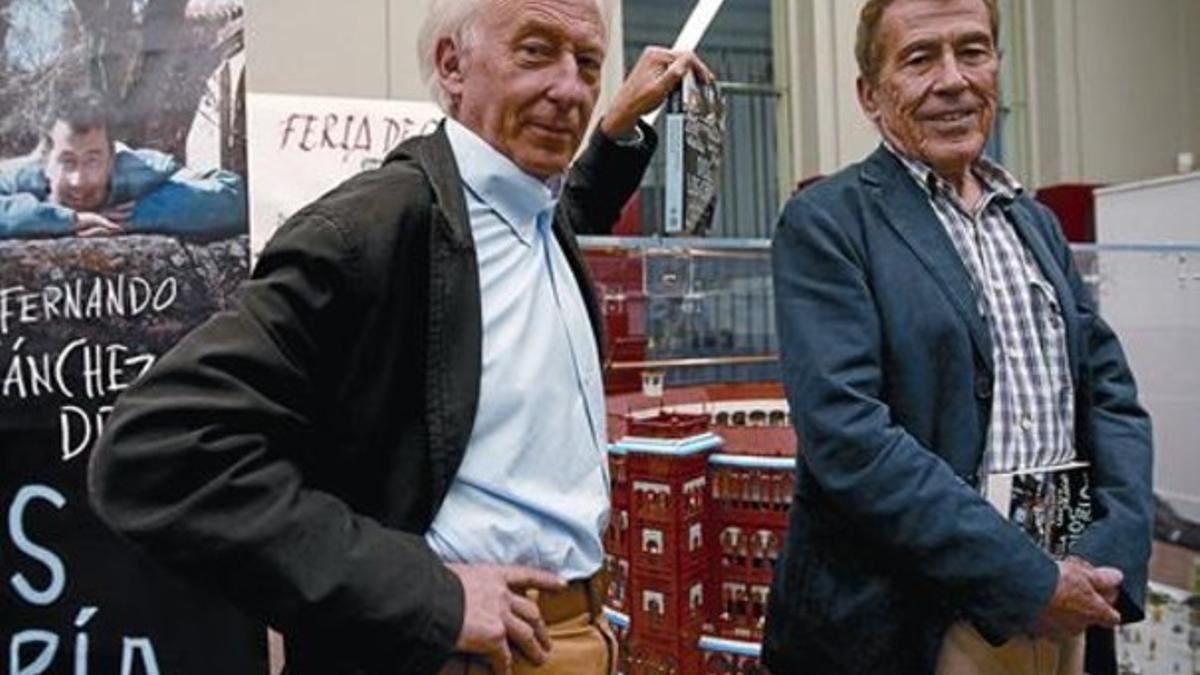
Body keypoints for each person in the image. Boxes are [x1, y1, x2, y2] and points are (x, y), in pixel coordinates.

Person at [88, 0, 711, 673]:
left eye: (587, 64)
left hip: (583, 635)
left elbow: (563, 211)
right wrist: (426, 592)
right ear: (453, 65)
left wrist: (619, 130)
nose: (570, 89)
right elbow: (155, 450)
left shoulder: (536, 216)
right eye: (536, 51)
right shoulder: (371, 230)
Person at [762, 0, 1152, 673]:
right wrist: (1024, 579)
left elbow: (1111, 396)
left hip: (1071, 603)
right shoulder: (826, 224)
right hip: (918, 626)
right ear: (869, 94)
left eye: (972, 51)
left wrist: (1107, 556)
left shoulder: (1035, 224)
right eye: (919, 58)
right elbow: (849, 437)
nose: (952, 79)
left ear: (996, 67)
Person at [0, 88, 245, 239]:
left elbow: (231, 195)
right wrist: (63, 219)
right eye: (67, 162)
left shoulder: (142, 169)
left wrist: (133, 217)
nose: (79, 180)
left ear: (112, 157)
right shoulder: (23, 175)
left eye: (93, 161)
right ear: (45, 159)